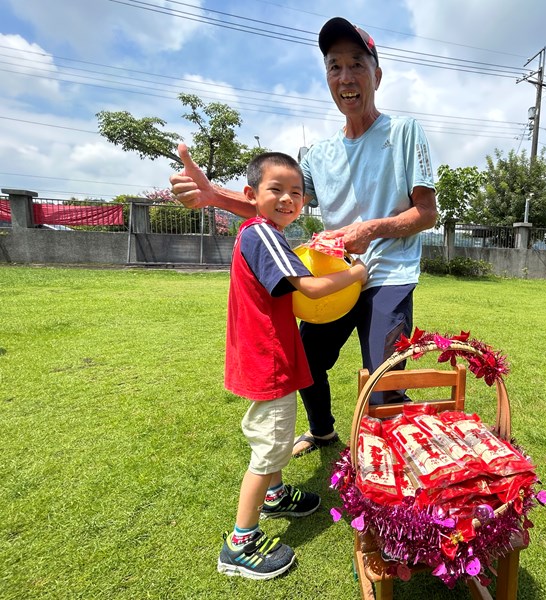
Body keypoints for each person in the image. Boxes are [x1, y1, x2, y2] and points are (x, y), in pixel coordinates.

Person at [170, 17, 437, 457]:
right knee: (307, 360)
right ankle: (323, 431)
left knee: (383, 376)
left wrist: (371, 229)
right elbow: (277, 209)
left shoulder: (405, 132)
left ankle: (389, 460)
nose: (346, 77)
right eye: (334, 66)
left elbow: (426, 213)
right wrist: (213, 195)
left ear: (377, 74)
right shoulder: (318, 154)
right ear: (328, 78)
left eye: (356, 64)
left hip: (388, 272)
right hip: (332, 278)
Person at [217, 151, 367, 580]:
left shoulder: (263, 233)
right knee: (270, 445)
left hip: (270, 353)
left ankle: (276, 495)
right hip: (268, 358)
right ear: (252, 195)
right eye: (275, 190)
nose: (287, 199)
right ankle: (240, 542)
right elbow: (313, 288)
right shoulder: (262, 233)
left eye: (296, 193)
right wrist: (356, 272)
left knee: (277, 434)